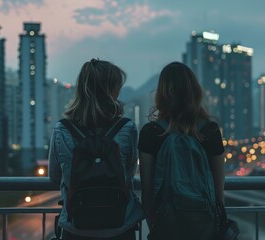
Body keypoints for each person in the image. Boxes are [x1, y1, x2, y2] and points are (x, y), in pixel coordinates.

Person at [48, 58, 144, 240]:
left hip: (76, 225)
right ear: (111, 90)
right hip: (120, 225)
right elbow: (128, 175)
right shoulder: (127, 128)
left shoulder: (62, 129)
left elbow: (54, 176)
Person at [138, 61, 225, 239]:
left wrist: (154, 226)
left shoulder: (151, 132)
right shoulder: (210, 131)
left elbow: (147, 192)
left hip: (166, 225)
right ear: (195, 91)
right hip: (203, 224)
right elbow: (218, 192)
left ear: (162, 94)